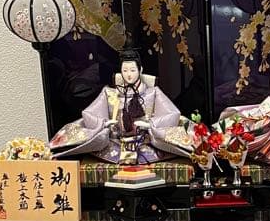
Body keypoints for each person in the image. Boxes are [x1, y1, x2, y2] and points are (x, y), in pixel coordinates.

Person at [49, 49, 183, 164]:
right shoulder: (110, 93)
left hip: (145, 143)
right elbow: (89, 113)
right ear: (120, 71)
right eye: (125, 70)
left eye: (132, 70)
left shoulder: (153, 93)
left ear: (140, 70)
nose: (129, 74)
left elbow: (172, 114)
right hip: (116, 144)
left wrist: (151, 125)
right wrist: (103, 123)